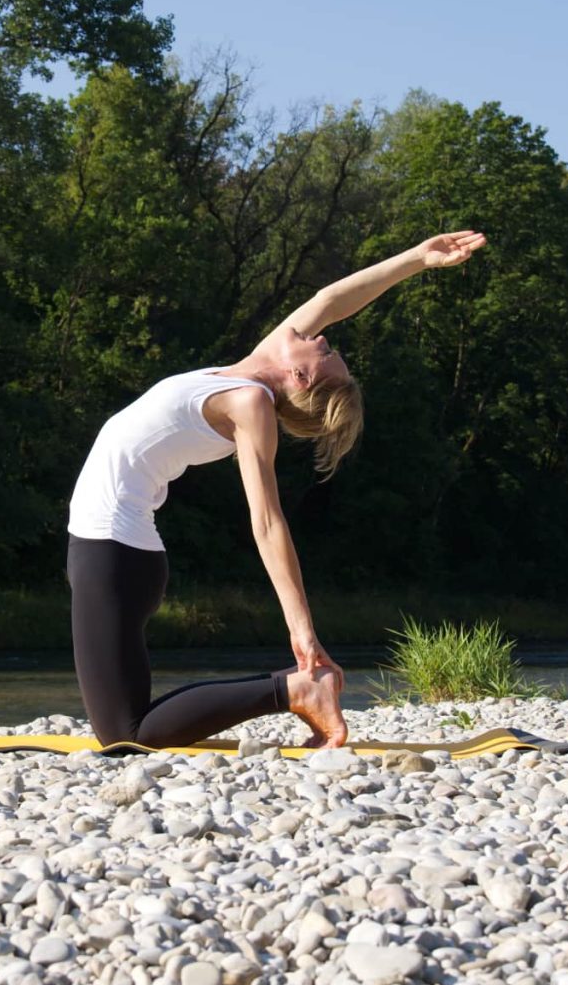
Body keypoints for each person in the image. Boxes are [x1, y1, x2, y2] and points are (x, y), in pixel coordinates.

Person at [64, 230, 490, 749]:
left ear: (304, 378)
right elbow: (332, 300)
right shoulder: (258, 363)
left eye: (328, 352)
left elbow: (267, 522)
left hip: (112, 552)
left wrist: (301, 629)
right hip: (117, 552)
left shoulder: (251, 405)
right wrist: (418, 259)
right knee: (125, 725)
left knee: (125, 736)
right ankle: (291, 690)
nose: (325, 339)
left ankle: (293, 689)